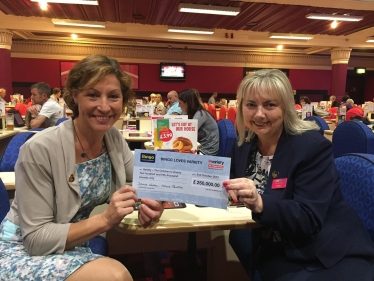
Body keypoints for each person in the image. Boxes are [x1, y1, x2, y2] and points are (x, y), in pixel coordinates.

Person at [0, 54, 164, 281]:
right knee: (114, 276)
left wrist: (151, 202)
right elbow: (36, 239)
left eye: (113, 96)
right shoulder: (40, 148)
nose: (104, 107)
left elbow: (140, 181)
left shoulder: (113, 138)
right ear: (75, 96)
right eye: (93, 95)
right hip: (23, 250)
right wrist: (106, 219)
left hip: (73, 244)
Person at [224, 69, 374, 281]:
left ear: (285, 108)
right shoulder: (244, 144)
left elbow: (308, 217)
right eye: (251, 105)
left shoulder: (311, 147)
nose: (259, 114)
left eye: (270, 105)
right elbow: (223, 181)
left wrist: (260, 203)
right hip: (273, 241)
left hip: (321, 251)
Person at [178, 88, 219, 155]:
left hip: (206, 152)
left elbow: (187, 135)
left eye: (180, 103)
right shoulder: (197, 113)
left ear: (187, 103)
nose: (178, 106)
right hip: (202, 148)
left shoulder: (200, 114)